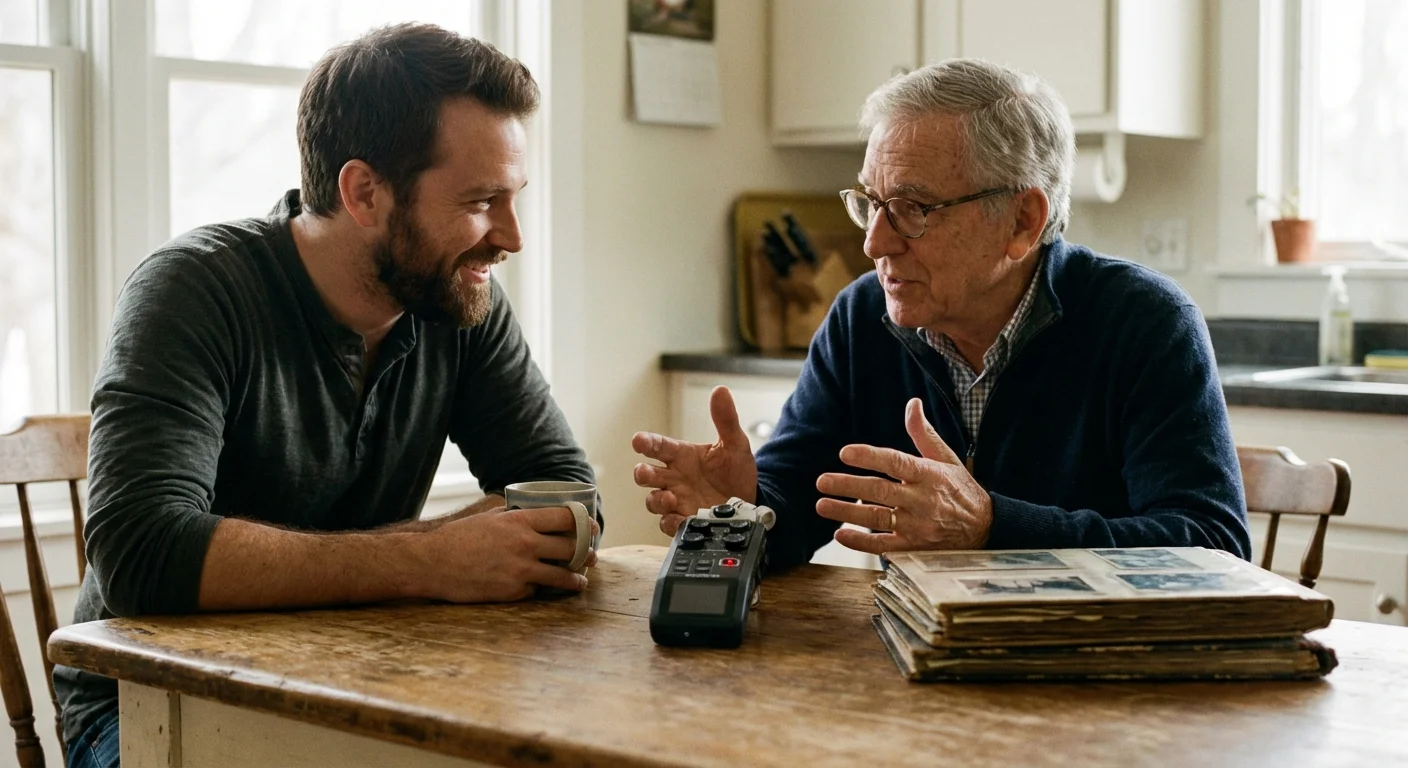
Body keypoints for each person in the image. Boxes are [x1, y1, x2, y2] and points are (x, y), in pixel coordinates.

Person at [56, 24, 598, 768]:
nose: (510, 236)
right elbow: (142, 555)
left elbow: (570, 494)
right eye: (480, 201)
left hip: (363, 687)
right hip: (148, 708)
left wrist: (441, 553)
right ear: (364, 193)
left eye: (514, 199)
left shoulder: (459, 301)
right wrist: (430, 560)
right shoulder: (192, 290)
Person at [633, 58, 1250, 572]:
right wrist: (743, 510)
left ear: (1021, 222)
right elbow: (796, 504)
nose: (875, 243)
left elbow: (1212, 549)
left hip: (1098, 687)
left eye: (912, 207)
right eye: (870, 203)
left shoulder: (1145, 323)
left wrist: (990, 525)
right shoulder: (861, 318)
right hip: (911, 667)